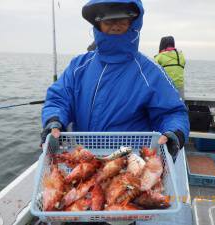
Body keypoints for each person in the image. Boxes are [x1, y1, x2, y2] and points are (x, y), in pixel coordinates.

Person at [41, 0, 190, 161]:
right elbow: (58, 99)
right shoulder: (78, 66)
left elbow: (172, 112)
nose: (115, 25)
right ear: (98, 23)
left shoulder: (151, 73)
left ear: (133, 22)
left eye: (122, 19)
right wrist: (53, 121)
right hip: (83, 160)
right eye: (108, 20)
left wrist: (174, 133)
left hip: (131, 162)